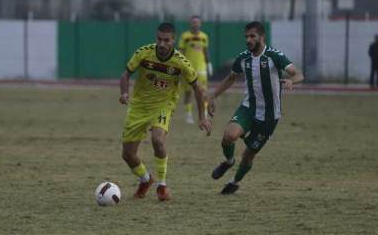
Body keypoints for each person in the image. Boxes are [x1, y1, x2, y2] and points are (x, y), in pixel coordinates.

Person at [119, 22, 212, 201]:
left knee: (157, 140)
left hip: (163, 105)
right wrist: (124, 93)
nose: (162, 44)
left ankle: (162, 185)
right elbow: (125, 75)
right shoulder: (143, 53)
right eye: (159, 39)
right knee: (128, 155)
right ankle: (146, 179)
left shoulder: (181, 62)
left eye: (166, 40)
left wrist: (202, 117)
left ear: (173, 40)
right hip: (138, 106)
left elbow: (198, 89)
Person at [208, 21, 303, 195]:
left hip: (269, 116)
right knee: (229, 136)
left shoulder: (275, 56)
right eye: (246, 37)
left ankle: (234, 182)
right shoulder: (244, 58)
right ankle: (228, 161)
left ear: (261, 37)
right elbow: (231, 78)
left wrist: (291, 80)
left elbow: (298, 74)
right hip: (248, 108)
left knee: (249, 154)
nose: (248, 40)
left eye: (252, 36)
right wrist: (213, 96)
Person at [178, 15, 212, 124]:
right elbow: (181, 51)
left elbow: (206, 51)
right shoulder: (184, 36)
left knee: (203, 92)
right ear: (190, 23)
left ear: (200, 23)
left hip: (201, 69)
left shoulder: (204, 36)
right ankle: (189, 115)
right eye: (193, 22)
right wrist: (180, 65)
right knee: (188, 92)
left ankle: (205, 113)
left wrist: (208, 63)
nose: (195, 24)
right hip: (188, 68)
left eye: (197, 22)